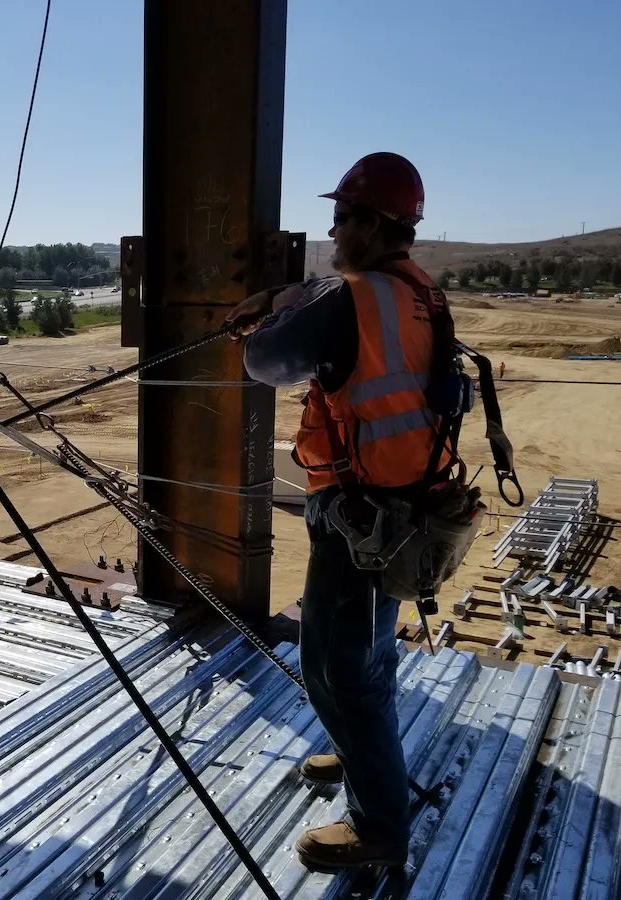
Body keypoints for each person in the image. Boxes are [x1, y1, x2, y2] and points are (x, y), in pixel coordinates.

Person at [227, 152, 457, 871]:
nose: (331, 231)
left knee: (337, 667)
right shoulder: (422, 292)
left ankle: (380, 829)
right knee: (367, 656)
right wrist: (295, 294)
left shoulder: (350, 294)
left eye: (339, 218)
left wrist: (264, 318)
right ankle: (361, 757)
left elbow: (265, 363)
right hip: (406, 508)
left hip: (361, 517)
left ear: (369, 224)